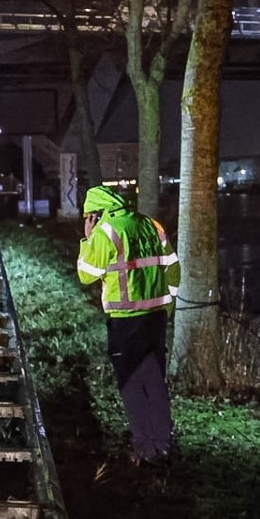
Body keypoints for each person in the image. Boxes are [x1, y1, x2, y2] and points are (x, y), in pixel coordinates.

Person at [75, 185, 179, 467]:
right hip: (156, 317)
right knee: (155, 381)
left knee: (131, 384)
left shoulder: (105, 231)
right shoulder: (150, 224)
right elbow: (172, 266)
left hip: (125, 321)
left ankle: (145, 448)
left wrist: (87, 240)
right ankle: (164, 444)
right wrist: (168, 305)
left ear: (95, 214)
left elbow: (86, 275)